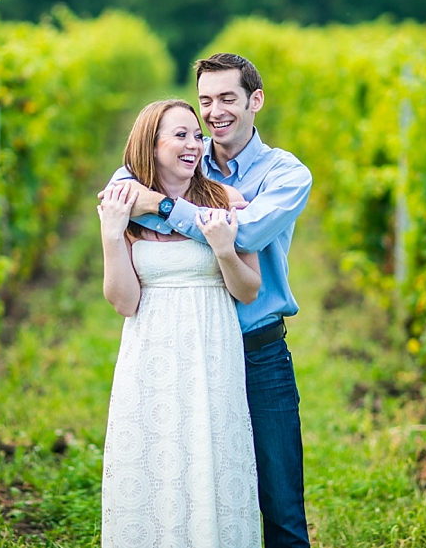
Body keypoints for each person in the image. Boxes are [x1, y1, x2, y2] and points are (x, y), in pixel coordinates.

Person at [102, 53, 312, 548]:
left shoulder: (285, 173)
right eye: (205, 101)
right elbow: (116, 197)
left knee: (281, 503)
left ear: (255, 100)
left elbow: (247, 233)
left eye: (227, 99)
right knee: (179, 481)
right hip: (179, 350)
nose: (214, 113)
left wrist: (164, 204)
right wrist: (156, 203)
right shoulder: (175, 159)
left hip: (256, 349)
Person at [98, 99, 263, 548]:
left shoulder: (226, 200)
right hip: (149, 351)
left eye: (197, 135)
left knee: (212, 455)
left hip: (212, 347)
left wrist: (225, 250)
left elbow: (248, 290)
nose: (194, 145)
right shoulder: (125, 207)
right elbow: (125, 302)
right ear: (150, 145)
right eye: (180, 135)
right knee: (154, 458)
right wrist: (111, 235)